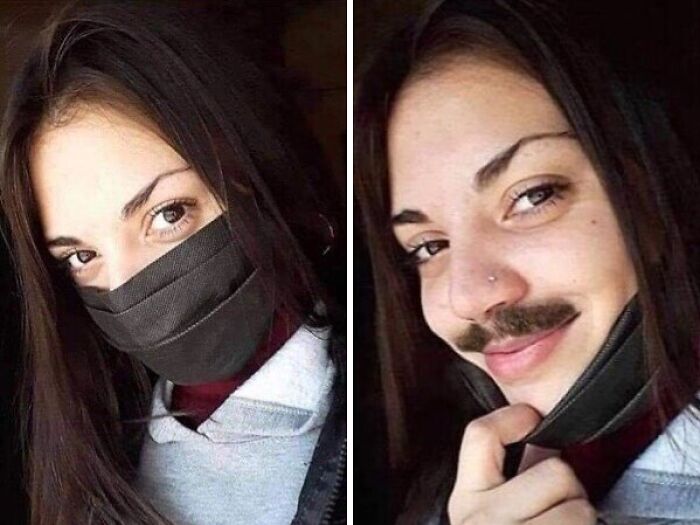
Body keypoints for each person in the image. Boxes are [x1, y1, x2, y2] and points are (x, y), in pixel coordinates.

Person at [355, 0, 700, 523]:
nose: (468, 297)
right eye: (428, 246)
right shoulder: (436, 480)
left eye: (533, 196)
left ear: (652, 181)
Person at [0, 2, 346, 524]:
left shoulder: (385, 420)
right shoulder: (83, 437)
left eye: (168, 214)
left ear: (258, 176)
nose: (124, 287)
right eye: (82, 255)